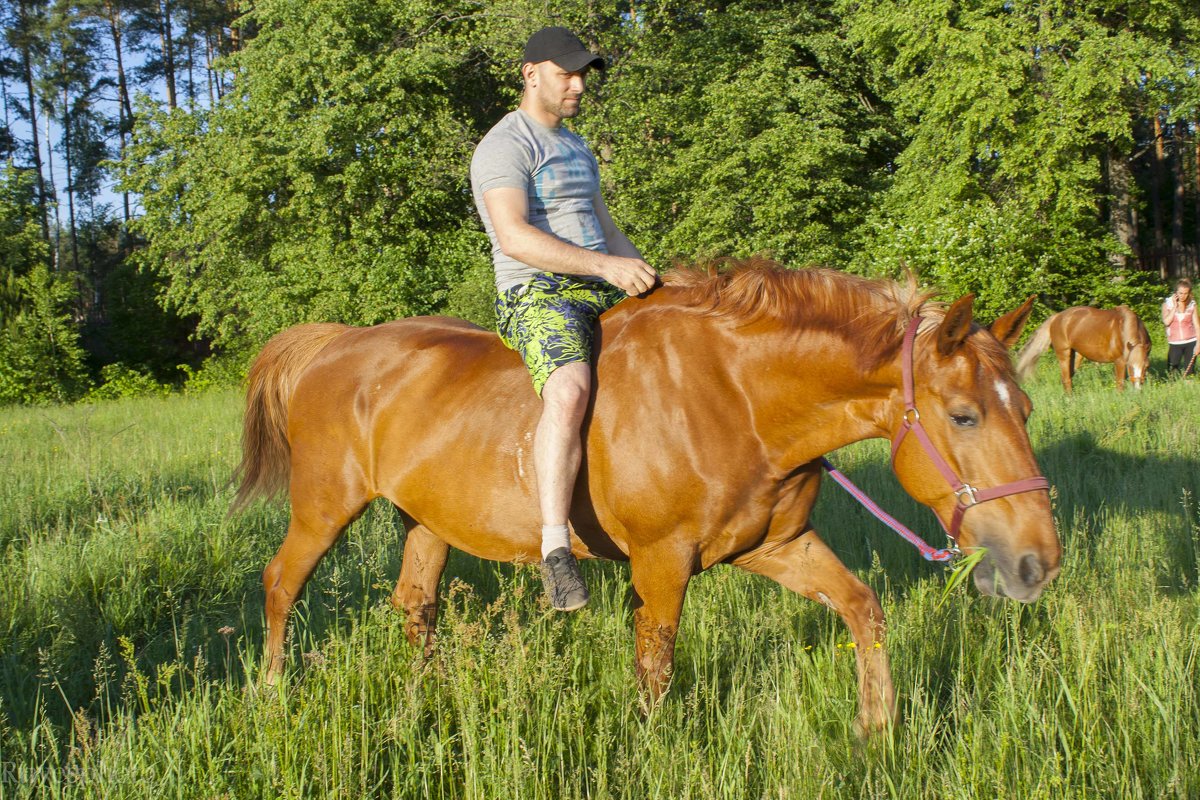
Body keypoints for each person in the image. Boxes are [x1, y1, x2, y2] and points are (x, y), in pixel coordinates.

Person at [469, 27, 657, 611]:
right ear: (531, 74)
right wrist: (606, 267)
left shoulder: (574, 145)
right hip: (538, 293)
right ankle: (556, 549)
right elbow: (515, 238)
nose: (577, 85)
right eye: (565, 74)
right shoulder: (506, 146)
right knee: (572, 390)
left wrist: (645, 275)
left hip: (598, 284)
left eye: (582, 75)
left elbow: (603, 224)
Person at [1161, 278, 1199, 376]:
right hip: (1175, 342)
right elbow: (1166, 322)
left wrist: (1198, 344)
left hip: (1191, 341)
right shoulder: (1167, 304)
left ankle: (1188, 388)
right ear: (1176, 292)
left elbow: (1197, 326)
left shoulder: (1192, 305)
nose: (1183, 296)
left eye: (1186, 293)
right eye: (1181, 293)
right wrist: (1174, 307)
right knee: (1172, 369)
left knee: (1189, 371)